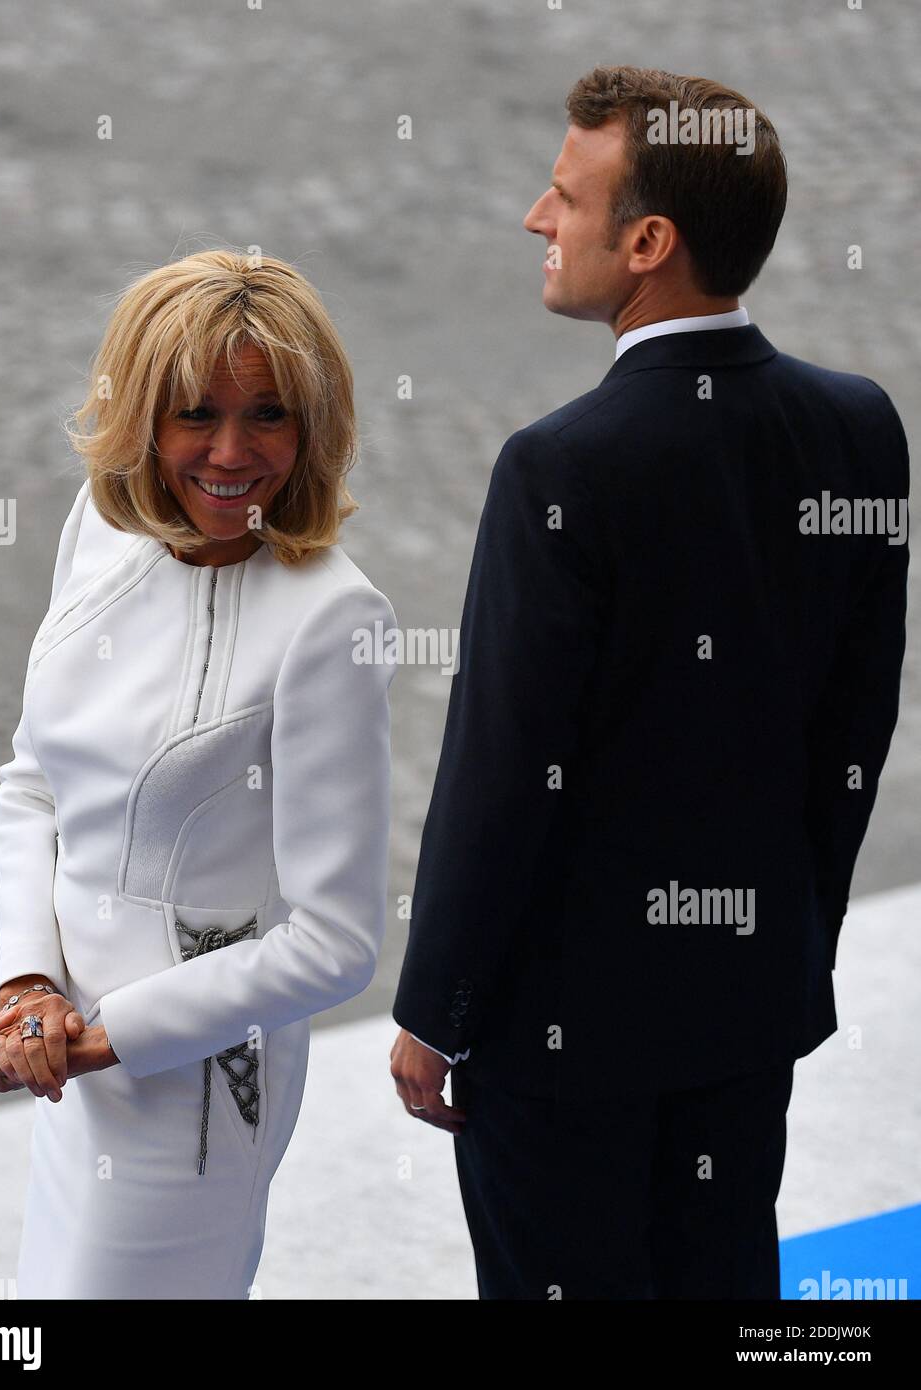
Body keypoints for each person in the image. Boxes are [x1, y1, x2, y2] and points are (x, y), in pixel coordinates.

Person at [390, 65, 909, 1299]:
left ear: (646, 242)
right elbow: (857, 722)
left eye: (564, 196)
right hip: (744, 1013)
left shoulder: (558, 466)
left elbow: (502, 768)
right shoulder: (859, 426)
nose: (534, 216)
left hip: (562, 1047)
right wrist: (789, 940)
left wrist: (434, 1007)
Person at [0, 249, 398, 1299]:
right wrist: (29, 987)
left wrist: (104, 1040)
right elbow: (31, 783)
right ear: (140, 415)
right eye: (194, 413)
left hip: (192, 1090)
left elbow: (337, 944)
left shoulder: (333, 617)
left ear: (314, 425)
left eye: (270, 416)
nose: (231, 453)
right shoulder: (101, 532)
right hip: (61, 1058)